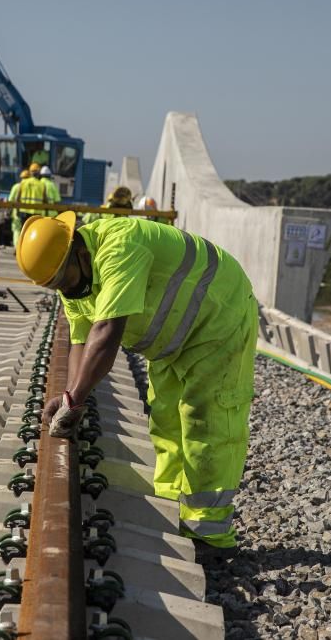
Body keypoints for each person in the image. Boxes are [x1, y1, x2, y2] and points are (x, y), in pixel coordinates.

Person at [16, 212, 256, 552]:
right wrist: (68, 394)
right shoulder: (71, 279)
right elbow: (80, 341)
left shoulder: (121, 245)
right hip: (175, 340)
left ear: (79, 251)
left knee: (206, 421)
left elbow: (107, 333)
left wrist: (75, 401)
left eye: (63, 280)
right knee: (167, 421)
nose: (64, 290)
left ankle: (210, 535)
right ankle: (173, 510)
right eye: (54, 285)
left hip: (220, 316)